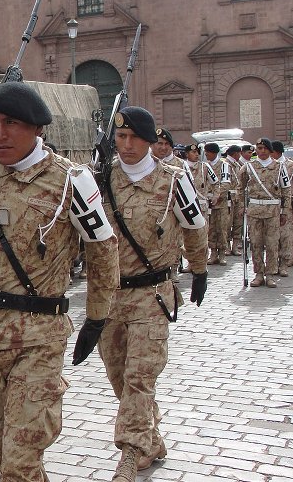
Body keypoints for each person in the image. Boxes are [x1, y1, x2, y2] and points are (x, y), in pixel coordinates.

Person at [0, 82, 119, 479]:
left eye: (12, 124)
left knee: (21, 459)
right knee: (0, 450)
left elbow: (103, 249)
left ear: (38, 129)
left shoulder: (71, 180)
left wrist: (97, 316)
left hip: (38, 337)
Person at [99, 107, 208, 481]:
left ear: (149, 141)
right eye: (120, 137)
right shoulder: (101, 179)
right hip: (110, 297)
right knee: (119, 377)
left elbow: (195, 227)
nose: (125, 145)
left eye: (133, 138)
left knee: (139, 378)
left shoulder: (175, 181)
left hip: (153, 295)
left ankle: (130, 453)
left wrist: (199, 269)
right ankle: (151, 438)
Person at [238, 138, 289, 287]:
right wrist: (241, 205)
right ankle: (259, 274)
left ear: (270, 150)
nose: (262, 151)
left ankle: (270, 274)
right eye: (259, 148)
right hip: (254, 210)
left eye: (265, 148)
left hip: (273, 211)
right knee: (256, 243)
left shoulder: (279, 167)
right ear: (256, 150)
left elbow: (286, 190)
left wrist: (284, 211)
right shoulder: (248, 167)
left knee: (272, 244)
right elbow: (240, 188)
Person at [202, 142, 231, 264]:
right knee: (211, 229)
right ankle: (213, 253)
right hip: (208, 204)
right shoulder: (205, 166)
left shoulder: (223, 165)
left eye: (207, 152)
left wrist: (217, 195)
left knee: (222, 228)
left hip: (221, 203)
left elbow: (226, 183)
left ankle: (222, 253)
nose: (206, 154)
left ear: (213, 152)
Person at [271, 140, 293, 276]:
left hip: (286, 204)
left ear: (276, 152)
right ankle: (274, 262)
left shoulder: (290, 165)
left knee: (286, 234)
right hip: (271, 205)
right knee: (272, 235)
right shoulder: (270, 165)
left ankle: (286, 260)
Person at [224, 145, 245, 256]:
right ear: (235, 153)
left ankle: (235, 246)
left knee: (238, 222)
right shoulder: (225, 164)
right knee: (228, 222)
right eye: (239, 153)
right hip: (228, 197)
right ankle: (226, 246)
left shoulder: (237, 165)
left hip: (238, 197)